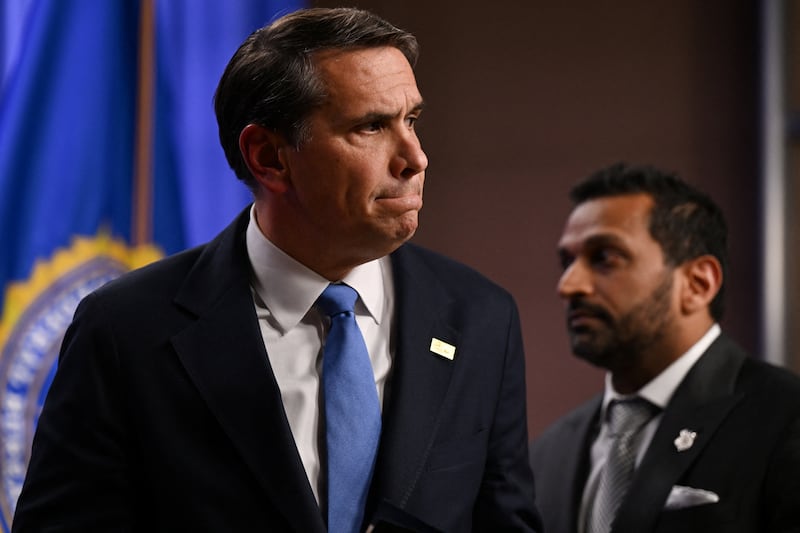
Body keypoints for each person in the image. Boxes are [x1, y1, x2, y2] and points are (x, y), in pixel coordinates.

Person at [12, 7, 541, 533]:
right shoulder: (125, 330)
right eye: (372, 126)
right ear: (268, 157)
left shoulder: (479, 318)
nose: (415, 157)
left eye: (412, 120)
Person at [528, 162, 800, 533]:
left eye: (605, 257)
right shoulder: (548, 454)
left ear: (698, 283)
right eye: (567, 261)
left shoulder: (785, 421)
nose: (569, 284)